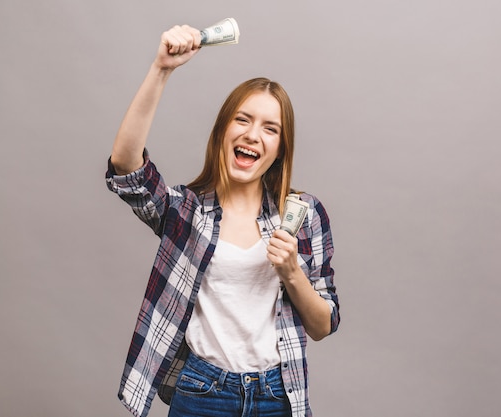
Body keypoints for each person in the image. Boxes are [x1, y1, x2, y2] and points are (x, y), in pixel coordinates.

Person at [106, 24, 340, 417]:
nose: (252, 135)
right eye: (242, 120)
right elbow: (126, 167)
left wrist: (291, 272)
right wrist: (161, 69)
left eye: (270, 128)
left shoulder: (305, 214)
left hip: (277, 396)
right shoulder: (186, 211)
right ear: (223, 131)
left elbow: (322, 325)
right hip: (201, 393)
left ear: (280, 149)